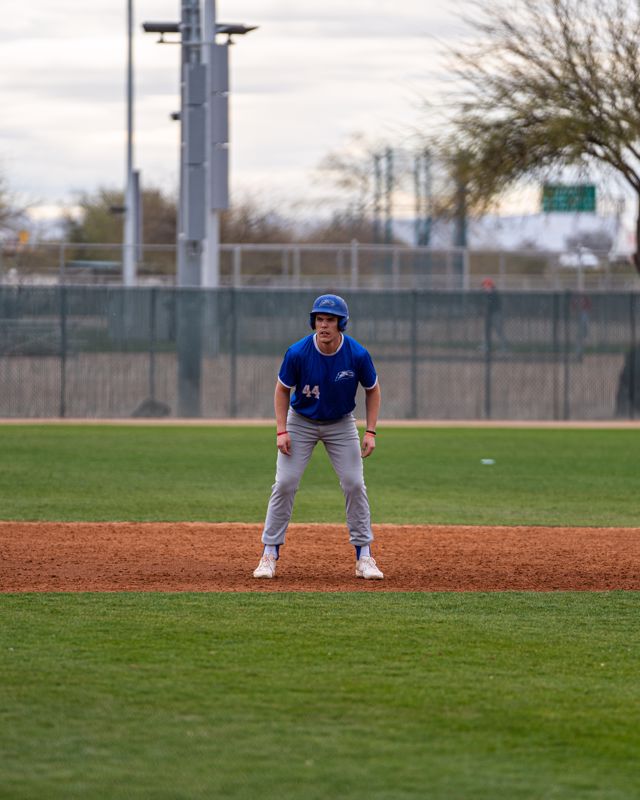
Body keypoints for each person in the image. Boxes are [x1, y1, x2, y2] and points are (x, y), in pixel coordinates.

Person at [253, 293, 383, 580]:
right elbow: (282, 389)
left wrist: (371, 431)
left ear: (341, 323)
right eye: (319, 319)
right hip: (301, 421)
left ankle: (364, 556)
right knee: (285, 483)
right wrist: (281, 430)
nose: (324, 325)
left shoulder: (357, 354)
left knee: (354, 484)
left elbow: (372, 390)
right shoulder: (298, 352)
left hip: (341, 423)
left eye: (331, 320)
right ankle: (269, 553)